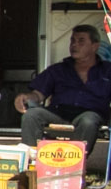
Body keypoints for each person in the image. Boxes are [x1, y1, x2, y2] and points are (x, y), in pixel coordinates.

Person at [17, 25, 111, 167]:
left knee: (89, 120)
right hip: (60, 112)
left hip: (91, 114)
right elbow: (38, 94)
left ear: (94, 46)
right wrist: (25, 97)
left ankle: (74, 166)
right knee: (32, 114)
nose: (74, 45)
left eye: (81, 41)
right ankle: (31, 165)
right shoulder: (58, 70)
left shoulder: (107, 71)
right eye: (72, 41)